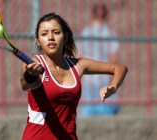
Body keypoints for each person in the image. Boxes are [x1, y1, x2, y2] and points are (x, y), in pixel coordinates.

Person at [20, 12, 128, 140]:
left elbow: (120, 68)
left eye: (56, 32)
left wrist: (113, 87)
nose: (50, 37)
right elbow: (24, 84)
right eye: (44, 34)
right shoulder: (34, 62)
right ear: (38, 41)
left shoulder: (77, 65)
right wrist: (30, 74)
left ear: (65, 37)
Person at [79, 3, 121, 117]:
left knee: (87, 114)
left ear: (92, 15)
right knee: (107, 114)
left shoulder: (85, 32)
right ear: (106, 15)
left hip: (88, 79)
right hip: (103, 79)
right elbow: (114, 58)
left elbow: (79, 55)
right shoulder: (109, 33)